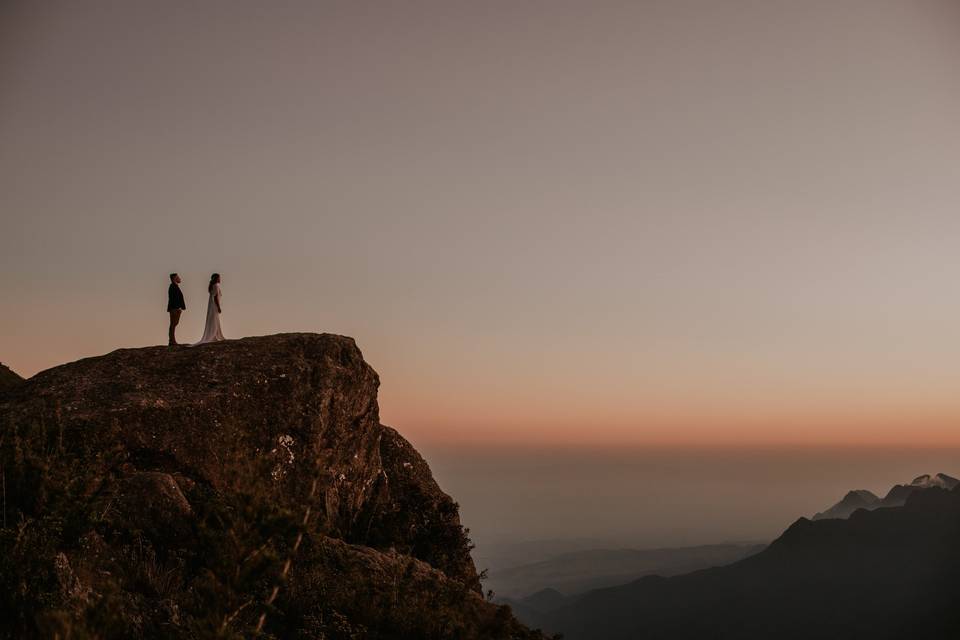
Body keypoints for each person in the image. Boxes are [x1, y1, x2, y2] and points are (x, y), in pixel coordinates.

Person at [193, 273, 225, 345]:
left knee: (213, 319)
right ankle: (214, 335)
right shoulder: (216, 285)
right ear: (217, 278)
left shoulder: (212, 286)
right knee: (214, 319)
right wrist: (218, 307)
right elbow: (215, 297)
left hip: (211, 304)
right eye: (219, 278)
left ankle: (215, 334)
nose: (220, 279)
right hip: (214, 304)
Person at [167, 273, 186, 346]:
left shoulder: (175, 286)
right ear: (174, 278)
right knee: (173, 324)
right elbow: (173, 299)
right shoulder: (172, 287)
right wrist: (177, 308)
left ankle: (172, 340)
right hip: (174, 308)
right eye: (178, 277)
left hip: (176, 308)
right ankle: (172, 341)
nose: (179, 278)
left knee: (175, 324)